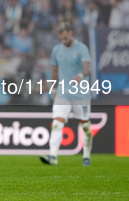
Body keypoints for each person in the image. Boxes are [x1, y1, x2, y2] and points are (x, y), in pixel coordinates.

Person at [40, 22, 93, 167]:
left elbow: (88, 68)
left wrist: (81, 75)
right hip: (63, 93)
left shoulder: (82, 48)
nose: (63, 41)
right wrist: (54, 90)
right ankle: (53, 156)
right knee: (56, 124)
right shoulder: (57, 50)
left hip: (81, 95)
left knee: (86, 128)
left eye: (65, 38)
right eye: (61, 39)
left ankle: (86, 155)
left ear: (71, 33)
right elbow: (54, 71)